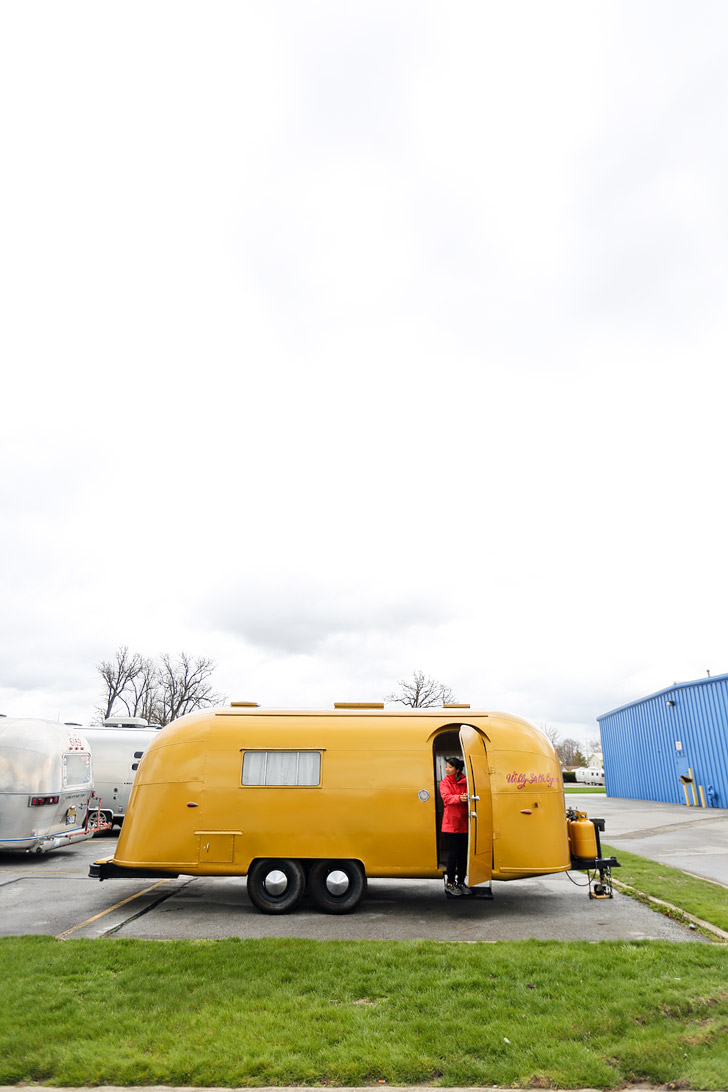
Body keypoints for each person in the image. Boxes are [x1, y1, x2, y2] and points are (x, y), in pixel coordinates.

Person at [439, 756, 473, 896]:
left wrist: (467, 798)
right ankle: (450, 883)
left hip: (464, 823)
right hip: (451, 824)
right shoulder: (444, 782)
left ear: (457, 769)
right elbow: (446, 798)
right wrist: (459, 798)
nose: (447, 769)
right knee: (453, 855)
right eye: (446, 766)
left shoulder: (466, 782)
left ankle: (460, 882)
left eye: (450, 767)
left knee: (463, 855)